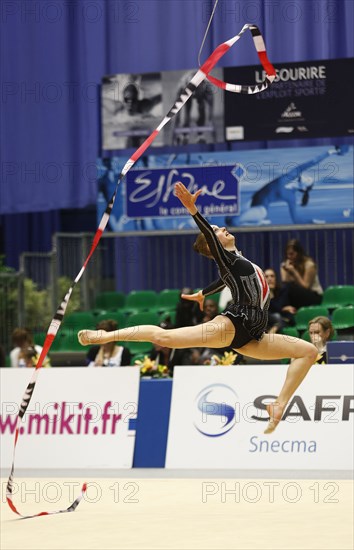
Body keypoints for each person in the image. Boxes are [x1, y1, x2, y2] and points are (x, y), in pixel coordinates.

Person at [78, 182, 318, 434]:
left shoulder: (237, 261)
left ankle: (278, 406)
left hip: (254, 335)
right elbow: (216, 251)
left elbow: (225, 279)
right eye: (216, 231)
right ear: (213, 244)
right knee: (165, 336)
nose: (222, 228)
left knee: (308, 352)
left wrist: (203, 293)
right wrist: (193, 210)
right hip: (233, 325)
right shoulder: (227, 259)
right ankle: (105, 336)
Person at [280, 239, 323, 309]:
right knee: (284, 288)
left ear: (299, 253)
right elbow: (285, 282)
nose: (289, 257)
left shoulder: (309, 265)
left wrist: (293, 271)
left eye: (291, 254)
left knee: (290, 287)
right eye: (287, 254)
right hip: (296, 295)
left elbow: (306, 286)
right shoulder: (285, 265)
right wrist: (287, 271)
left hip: (314, 295)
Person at [264, 268, 296, 333]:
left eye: (272, 276)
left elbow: (278, 306)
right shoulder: (261, 296)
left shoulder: (282, 291)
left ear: (276, 279)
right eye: (266, 277)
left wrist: (271, 294)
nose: (270, 279)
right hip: (268, 320)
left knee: (277, 316)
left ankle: (272, 332)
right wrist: (282, 309)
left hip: (281, 320)